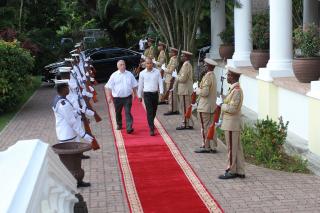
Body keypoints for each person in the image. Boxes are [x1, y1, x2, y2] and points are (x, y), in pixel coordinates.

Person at [52, 80, 93, 187]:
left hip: (66, 133)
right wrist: (84, 135)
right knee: (71, 161)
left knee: (74, 160)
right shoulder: (63, 104)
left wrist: (78, 112)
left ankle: (78, 181)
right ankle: (73, 182)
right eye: (67, 87)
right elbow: (72, 122)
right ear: (62, 89)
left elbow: (70, 113)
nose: (68, 89)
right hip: (67, 135)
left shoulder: (60, 99)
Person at [218, 66, 245, 179]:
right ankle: (240, 171)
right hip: (231, 123)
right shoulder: (233, 89)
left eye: (228, 75)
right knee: (236, 148)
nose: (227, 77)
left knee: (231, 148)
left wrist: (221, 105)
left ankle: (231, 170)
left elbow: (233, 109)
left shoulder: (237, 91)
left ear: (233, 77)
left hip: (231, 124)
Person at [106, 60, 138, 134]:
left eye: (123, 64)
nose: (122, 66)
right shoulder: (114, 75)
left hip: (127, 97)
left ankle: (129, 127)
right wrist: (109, 96)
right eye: (121, 65)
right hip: (117, 98)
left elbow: (134, 85)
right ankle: (119, 124)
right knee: (118, 112)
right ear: (118, 66)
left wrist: (134, 94)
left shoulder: (129, 74)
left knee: (128, 112)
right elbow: (108, 87)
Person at [194, 58, 218, 153]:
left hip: (205, 106)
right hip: (211, 106)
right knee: (211, 126)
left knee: (205, 127)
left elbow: (205, 92)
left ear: (208, 66)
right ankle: (212, 146)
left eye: (205, 65)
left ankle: (206, 146)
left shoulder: (208, 77)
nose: (203, 66)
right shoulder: (213, 76)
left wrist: (197, 90)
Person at [138, 57, 164, 136]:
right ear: (145, 64)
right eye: (147, 63)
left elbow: (160, 82)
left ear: (153, 64)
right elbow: (140, 85)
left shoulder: (157, 72)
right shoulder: (142, 73)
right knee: (149, 111)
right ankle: (151, 128)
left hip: (155, 94)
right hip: (147, 94)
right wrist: (139, 95)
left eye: (150, 63)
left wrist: (162, 92)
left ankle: (151, 122)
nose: (149, 65)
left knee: (154, 110)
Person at [174, 50, 194, 130]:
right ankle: (188, 123)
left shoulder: (186, 65)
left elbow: (183, 79)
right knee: (185, 107)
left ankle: (185, 124)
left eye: (182, 56)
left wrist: (176, 76)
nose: (181, 57)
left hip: (185, 90)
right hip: (184, 90)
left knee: (185, 107)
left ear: (186, 57)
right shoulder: (185, 64)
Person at [163, 47, 179, 115]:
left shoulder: (175, 60)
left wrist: (164, 69)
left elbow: (171, 70)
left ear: (174, 53)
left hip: (171, 79)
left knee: (171, 95)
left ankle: (172, 110)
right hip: (168, 78)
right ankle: (172, 108)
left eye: (171, 52)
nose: (169, 53)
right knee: (170, 95)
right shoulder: (172, 59)